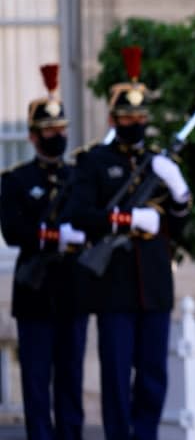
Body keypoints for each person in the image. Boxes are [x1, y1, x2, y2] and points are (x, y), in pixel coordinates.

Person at [62, 47, 192, 440]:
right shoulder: (93, 163)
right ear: (112, 120)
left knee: (152, 375)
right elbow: (79, 215)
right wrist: (127, 218)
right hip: (112, 287)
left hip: (153, 286)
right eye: (126, 118)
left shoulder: (158, 163)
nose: (134, 123)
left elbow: (179, 226)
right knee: (116, 377)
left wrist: (180, 192)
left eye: (139, 118)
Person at [0, 64, 89, 440]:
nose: (58, 136)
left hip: (72, 293)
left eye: (62, 130)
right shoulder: (16, 180)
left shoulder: (79, 176)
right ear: (34, 137)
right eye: (50, 130)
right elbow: (14, 231)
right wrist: (55, 237)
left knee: (71, 382)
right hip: (35, 295)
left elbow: (91, 221)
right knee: (37, 385)